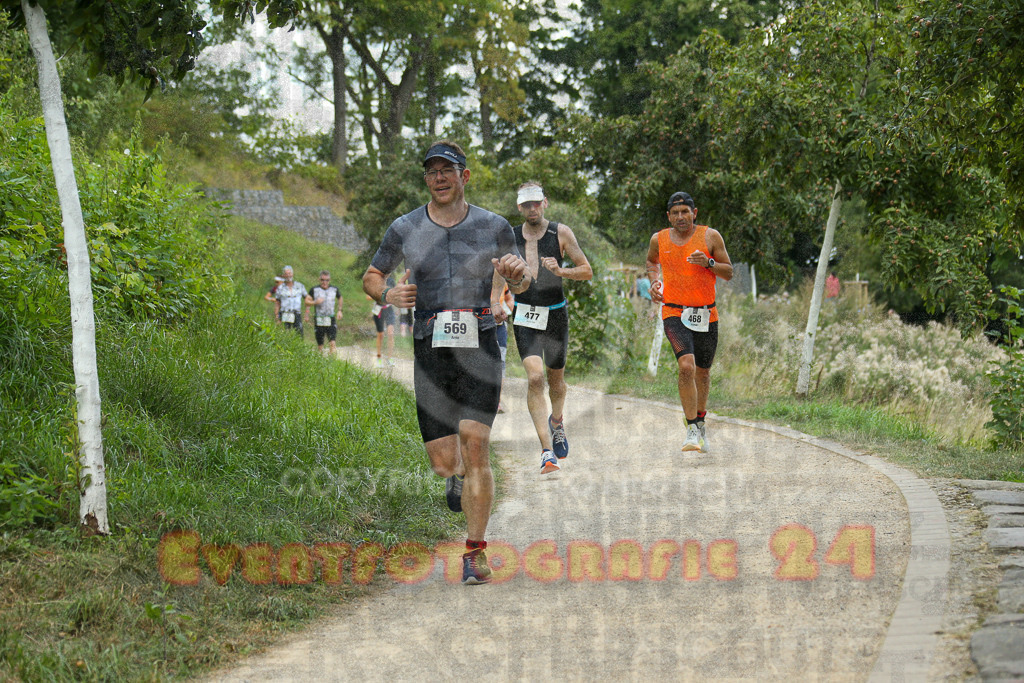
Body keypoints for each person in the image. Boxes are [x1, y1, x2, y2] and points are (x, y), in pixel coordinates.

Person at [361, 140, 531, 585]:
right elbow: (372, 275)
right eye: (431, 171)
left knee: (476, 444)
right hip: (429, 345)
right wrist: (387, 294)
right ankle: (453, 477)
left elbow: (524, 278)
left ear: (464, 176)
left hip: (479, 343)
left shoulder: (494, 225)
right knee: (443, 460)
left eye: (447, 170)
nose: (439, 177)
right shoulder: (405, 227)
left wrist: (517, 277)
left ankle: (475, 552)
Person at [503, 182, 592, 475]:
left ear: (545, 203)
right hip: (525, 316)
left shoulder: (561, 233)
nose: (532, 209)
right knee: (535, 378)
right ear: (519, 207)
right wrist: (495, 300)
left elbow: (586, 270)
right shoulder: (511, 236)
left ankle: (557, 422)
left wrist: (561, 271)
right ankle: (546, 451)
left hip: (555, 316)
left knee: (556, 382)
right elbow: (498, 271)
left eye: (536, 203)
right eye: (526, 204)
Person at [646, 191, 733, 452]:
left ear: (694, 213)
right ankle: (692, 427)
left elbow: (728, 272)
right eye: (675, 213)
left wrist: (708, 262)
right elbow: (652, 262)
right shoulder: (658, 239)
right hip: (673, 311)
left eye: (685, 212)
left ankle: (701, 420)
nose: (681, 217)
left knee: (703, 372)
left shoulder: (710, 236)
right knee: (687, 366)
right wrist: (653, 282)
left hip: (706, 313)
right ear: (669, 216)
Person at [306, 270, 342, 355]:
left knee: (332, 342)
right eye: (322, 280)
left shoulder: (334, 289)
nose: (324, 282)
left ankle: (332, 360)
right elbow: (307, 302)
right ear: (319, 279)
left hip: (330, 318)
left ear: (329, 280)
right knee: (320, 346)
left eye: (327, 280)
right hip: (319, 319)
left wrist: (340, 311)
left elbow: (340, 298)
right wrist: (314, 303)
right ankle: (320, 361)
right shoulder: (314, 290)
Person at [370, 275, 397, 366]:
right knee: (380, 334)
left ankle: (389, 358)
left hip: (389, 309)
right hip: (378, 310)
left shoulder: (391, 281)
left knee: (390, 333)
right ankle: (379, 357)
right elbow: (368, 296)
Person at [275, 266, 307, 336]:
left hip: (296, 313)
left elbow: (307, 299)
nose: (288, 276)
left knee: (299, 333)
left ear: (292, 274)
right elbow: (277, 302)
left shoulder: (300, 286)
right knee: (285, 333)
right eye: (286, 274)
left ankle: (300, 346)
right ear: (283, 275)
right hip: (285, 313)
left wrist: (307, 312)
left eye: (289, 273)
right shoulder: (280, 288)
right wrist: (277, 315)